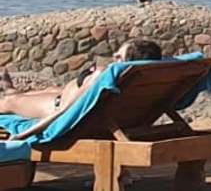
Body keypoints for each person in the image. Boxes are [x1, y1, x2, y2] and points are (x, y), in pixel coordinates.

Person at [0, 38, 164, 138]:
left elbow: (63, 111)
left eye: (118, 56)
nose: (113, 56)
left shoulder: (104, 76)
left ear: (126, 63)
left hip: (55, 106)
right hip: (69, 97)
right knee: (48, 89)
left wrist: (24, 134)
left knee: (11, 102)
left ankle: (10, 92)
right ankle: (10, 89)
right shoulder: (140, 78)